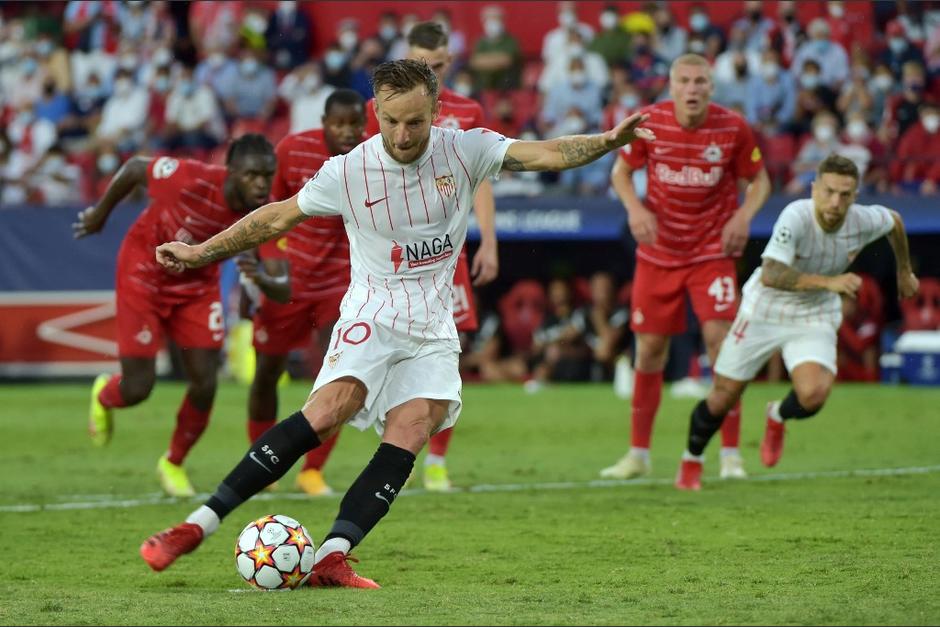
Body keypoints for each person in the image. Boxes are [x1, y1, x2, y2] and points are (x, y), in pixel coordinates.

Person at [140, 58, 654, 587]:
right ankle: (195, 526)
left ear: (436, 110)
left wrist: (608, 141)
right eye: (390, 121)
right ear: (375, 113)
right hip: (373, 311)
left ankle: (332, 556)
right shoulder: (349, 171)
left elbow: (545, 152)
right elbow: (276, 216)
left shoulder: (465, 149)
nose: (402, 135)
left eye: (415, 121)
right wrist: (201, 252)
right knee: (330, 408)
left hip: (433, 323)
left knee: (411, 429)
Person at [675, 154, 919, 490]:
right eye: (829, 191)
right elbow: (773, 274)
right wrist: (829, 282)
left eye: (845, 195)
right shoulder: (796, 216)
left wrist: (904, 271)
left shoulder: (862, 220)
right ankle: (692, 459)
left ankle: (777, 416)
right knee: (723, 396)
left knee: (814, 395)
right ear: (814, 188)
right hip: (765, 308)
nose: (836, 202)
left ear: (855, 196)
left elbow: (894, 220)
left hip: (814, 313)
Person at [71, 134, 276, 497]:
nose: (261, 184)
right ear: (230, 172)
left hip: (197, 288)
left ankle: (173, 462)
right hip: (144, 273)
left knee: (205, 381)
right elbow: (135, 168)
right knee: (138, 388)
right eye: (252, 175)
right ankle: (105, 394)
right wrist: (100, 215)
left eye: (267, 175)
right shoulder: (190, 177)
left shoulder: (262, 212)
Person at [600, 53, 771, 482]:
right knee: (650, 351)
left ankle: (731, 455)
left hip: (712, 252)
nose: (692, 89)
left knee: (722, 347)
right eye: (685, 81)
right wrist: (635, 210)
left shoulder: (732, 127)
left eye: (700, 82)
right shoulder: (649, 122)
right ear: (671, 86)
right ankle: (638, 454)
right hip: (659, 253)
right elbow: (621, 173)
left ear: (711, 88)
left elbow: (761, 180)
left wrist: (743, 216)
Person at [363, 21, 500, 491]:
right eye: (423, 62)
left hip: (446, 252)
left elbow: (480, 177)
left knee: (448, 347)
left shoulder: (466, 110)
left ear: (449, 63)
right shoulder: (379, 109)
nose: (430, 70)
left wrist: (490, 241)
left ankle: (437, 460)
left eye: (438, 65)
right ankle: (391, 436)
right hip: (392, 251)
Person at [238, 89, 367, 497]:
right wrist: (264, 264)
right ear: (324, 122)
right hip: (287, 280)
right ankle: (264, 464)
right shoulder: (293, 149)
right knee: (266, 374)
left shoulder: (370, 157)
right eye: (339, 124)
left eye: (354, 124)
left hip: (339, 284)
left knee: (338, 377)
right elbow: (266, 208)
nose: (347, 132)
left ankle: (312, 471)